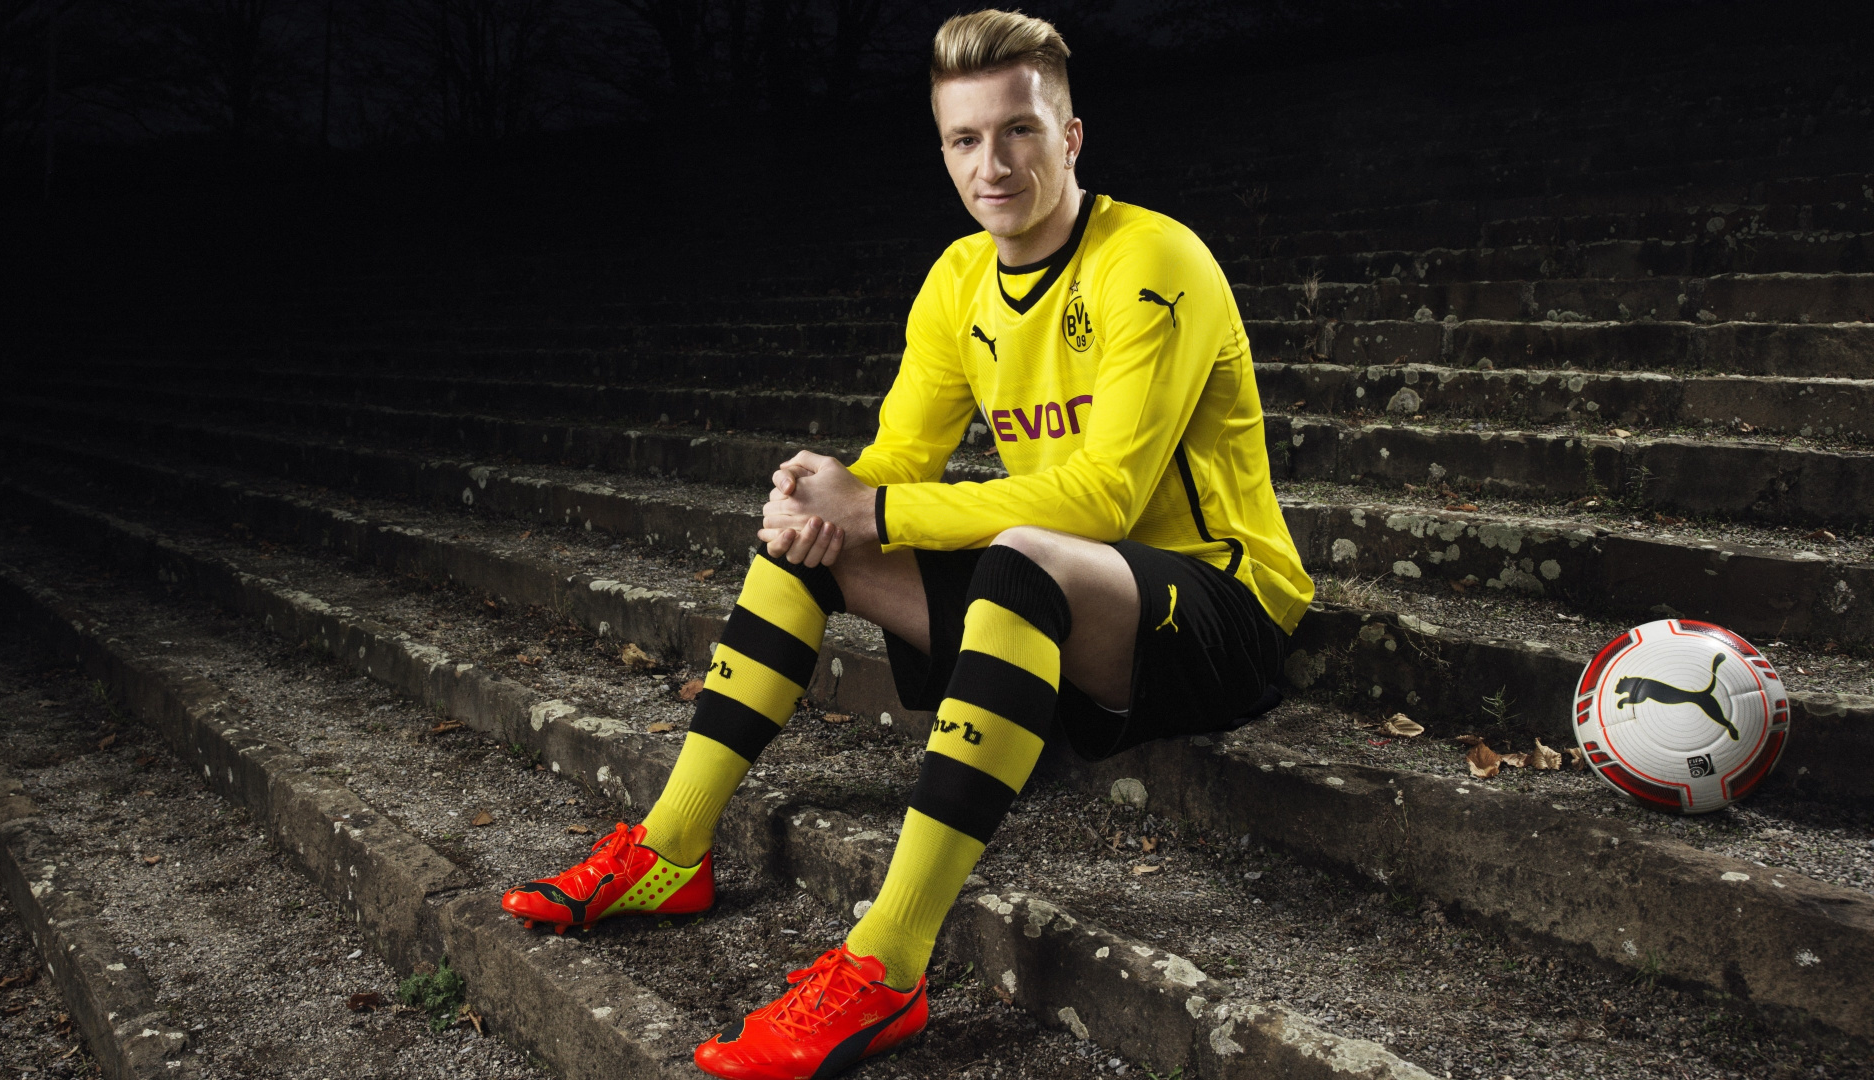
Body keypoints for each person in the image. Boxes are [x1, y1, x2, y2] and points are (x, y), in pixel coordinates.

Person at [501, 9, 1312, 1077]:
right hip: (1055, 605)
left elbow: (1106, 499)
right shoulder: (958, 280)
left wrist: (873, 509)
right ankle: (671, 845)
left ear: (1069, 138)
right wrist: (822, 498)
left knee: (1025, 550)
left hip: (1214, 610)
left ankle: (886, 965)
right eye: (964, 140)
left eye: (1019, 131)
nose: (994, 164)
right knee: (811, 543)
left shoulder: (1152, 259)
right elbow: (898, 460)